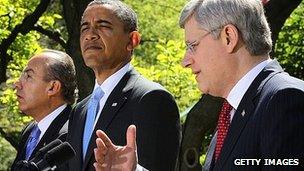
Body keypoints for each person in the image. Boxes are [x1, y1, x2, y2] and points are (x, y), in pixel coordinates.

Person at [93, 0, 304, 170]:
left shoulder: (285, 99)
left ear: (228, 37)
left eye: (192, 46)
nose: (185, 61)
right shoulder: (231, 112)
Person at [67, 0, 181, 170]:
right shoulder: (79, 110)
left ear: (132, 40)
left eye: (103, 26)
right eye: (84, 27)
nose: (90, 34)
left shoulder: (152, 99)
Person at [11, 49, 77, 170]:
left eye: (28, 76)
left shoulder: (72, 134)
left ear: (53, 87)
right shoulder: (30, 130)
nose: (17, 84)